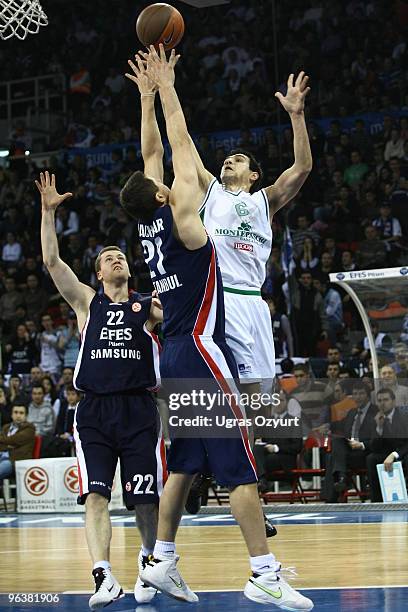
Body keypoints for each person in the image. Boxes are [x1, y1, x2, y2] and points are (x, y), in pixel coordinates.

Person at [121, 45, 313, 611]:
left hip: (224, 316)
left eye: (237, 161)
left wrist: (148, 95)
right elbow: (176, 147)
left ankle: (161, 559)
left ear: (252, 173)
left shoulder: (255, 202)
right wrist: (164, 92)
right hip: (209, 321)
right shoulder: (196, 205)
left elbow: (152, 155)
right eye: (223, 161)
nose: (227, 163)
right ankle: (259, 562)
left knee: (196, 450)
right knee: (233, 447)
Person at [36, 170, 165, 609]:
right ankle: (104, 576)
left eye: (120, 256)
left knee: (145, 499)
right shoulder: (86, 302)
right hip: (94, 411)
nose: (116, 260)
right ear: (97, 271)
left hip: (139, 409)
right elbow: (53, 264)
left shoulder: (148, 304)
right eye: (108, 257)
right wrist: (47, 213)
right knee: (95, 493)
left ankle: (151, 567)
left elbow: (186, 318)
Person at [366, 388, 408, 502]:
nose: (382, 403)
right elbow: (374, 447)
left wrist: (394, 455)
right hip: (387, 453)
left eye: (386, 399)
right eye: (379, 400)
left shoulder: (404, 417)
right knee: (371, 458)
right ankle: (377, 502)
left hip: (403, 452)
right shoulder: (375, 419)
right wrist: (379, 428)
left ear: (393, 402)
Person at [0, 403, 35, 484]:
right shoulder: (6, 427)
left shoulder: (29, 428)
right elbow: (10, 441)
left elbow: (14, 440)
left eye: (21, 413)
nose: (18, 415)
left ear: (26, 416)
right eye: (15, 412)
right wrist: (9, 444)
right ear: (11, 415)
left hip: (16, 460)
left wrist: (6, 442)